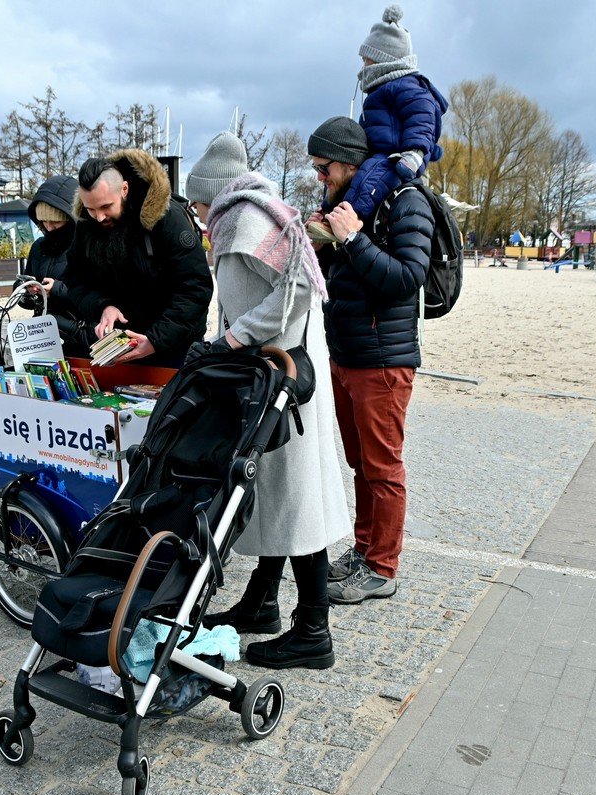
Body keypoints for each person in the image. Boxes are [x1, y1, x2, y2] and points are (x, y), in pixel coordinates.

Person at [185, 132, 351, 670]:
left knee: (294, 499)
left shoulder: (244, 221)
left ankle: (313, 631)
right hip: (277, 371)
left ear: (213, 193)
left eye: (195, 200)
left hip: (282, 374)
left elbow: (301, 286)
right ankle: (262, 602)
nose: (194, 211)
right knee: (278, 493)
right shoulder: (251, 215)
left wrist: (239, 337)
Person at [305, 116, 433, 604]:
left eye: (324, 167)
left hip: (384, 359)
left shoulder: (406, 200)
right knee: (361, 464)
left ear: (349, 162)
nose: (320, 177)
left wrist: (353, 240)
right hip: (347, 353)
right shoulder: (346, 203)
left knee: (383, 467)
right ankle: (363, 551)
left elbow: (407, 278)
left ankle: (382, 567)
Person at [309, 5, 447, 243]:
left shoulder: (407, 87)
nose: (363, 67)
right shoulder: (381, 91)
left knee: (368, 180)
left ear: (384, 60)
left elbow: (423, 119)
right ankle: (327, 213)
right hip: (381, 152)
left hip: (400, 156)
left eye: (367, 60)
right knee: (342, 179)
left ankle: (346, 221)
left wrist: (415, 152)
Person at [62, 150, 213, 367]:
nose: (99, 217)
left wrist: (155, 340)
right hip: (121, 346)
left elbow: (196, 288)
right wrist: (103, 306)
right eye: (91, 209)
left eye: (106, 207)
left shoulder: (166, 218)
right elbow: (75, 279)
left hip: (173, 345)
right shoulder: (87, 224)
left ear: (124, 189)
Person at [17, 175, 90, 357]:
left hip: (78, 337)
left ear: (71, 217)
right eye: (43, 221)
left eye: (56, 221)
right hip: (42, 335)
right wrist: (26, 290)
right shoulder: (39, 247)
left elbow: (98, 290)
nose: (49, 227)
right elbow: (24, 285)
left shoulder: (88, 246)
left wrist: (56, 289)